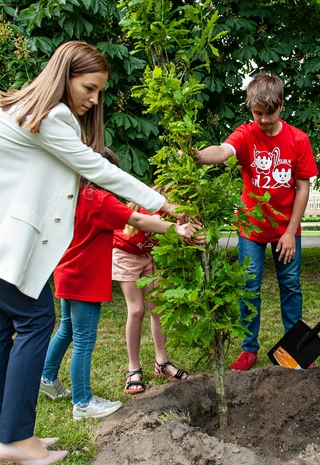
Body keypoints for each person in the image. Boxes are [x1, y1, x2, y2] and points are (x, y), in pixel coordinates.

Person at [0, 41, 183, 465]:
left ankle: (2, 430)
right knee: (34, 322)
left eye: (99, 91)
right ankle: (16, 438)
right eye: (89, 87)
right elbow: (98, 168)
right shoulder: (51, 116)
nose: (94, 99)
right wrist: (164, 204)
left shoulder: (19, 109)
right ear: (64, 76)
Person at [40, 150, 201, 416]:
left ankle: (47, 379)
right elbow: (136, 219)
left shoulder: (73, 194)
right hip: (85, 279)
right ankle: (82, 402)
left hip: (67, 272)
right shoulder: (100, 199)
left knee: (67, 328)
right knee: (83, 339)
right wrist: (177, 229)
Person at [193, 73, 318, 371]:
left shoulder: (298, 139)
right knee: (248, 287)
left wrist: (289, 233)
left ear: (282, 106)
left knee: (290, 285)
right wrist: (198, 155)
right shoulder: (246, 134)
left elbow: (303, 188)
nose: (262, 119)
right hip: (251, 228)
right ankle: (249, 349)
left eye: (269, 113)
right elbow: (223, 151)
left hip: (286, 230)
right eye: (257, 113)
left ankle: (294, 348)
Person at [113, 198, 195, 394]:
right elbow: (144, 223)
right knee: (136, 310)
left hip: (146, 256)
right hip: (125, 254)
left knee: (158, 307)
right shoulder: (150, 206)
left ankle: (162, 362)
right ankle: (133, 368)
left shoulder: (176, 210)